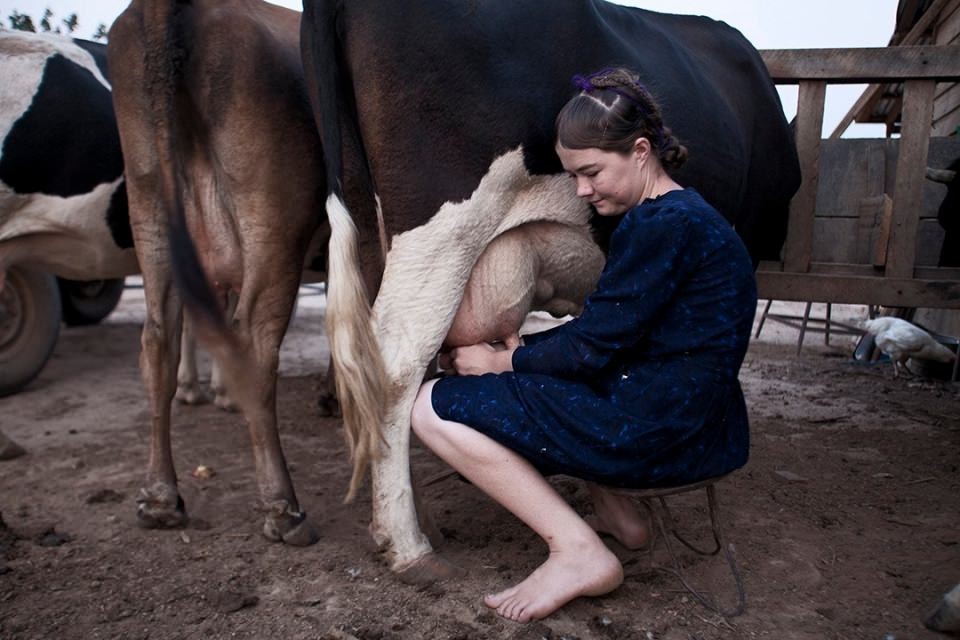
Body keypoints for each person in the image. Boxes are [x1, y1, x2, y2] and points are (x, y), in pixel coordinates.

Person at [410, 67, 757, 623]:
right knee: (557, 379)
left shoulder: (657, 226)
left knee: (429, 405)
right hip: (701, 422)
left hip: (656, 432)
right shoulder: (694, 215)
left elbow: (592, 347)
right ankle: (625, 522)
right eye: (573, 176)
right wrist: (526, 363)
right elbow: (614, 337)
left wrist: (501, 360)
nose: (582, 191)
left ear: (640, 151)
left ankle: (578, 552)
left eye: (591, 172)